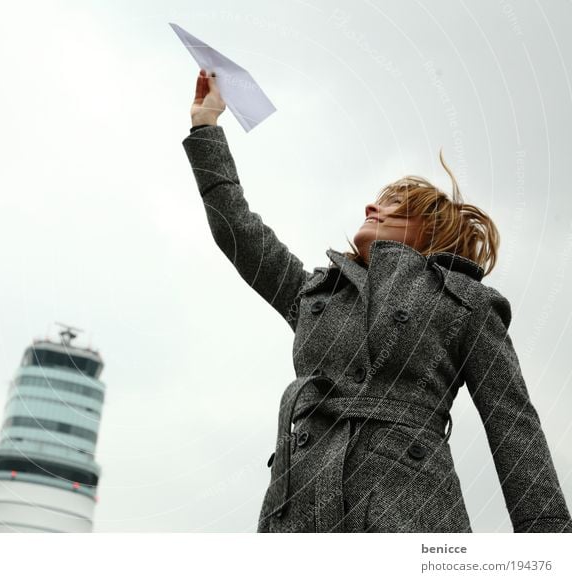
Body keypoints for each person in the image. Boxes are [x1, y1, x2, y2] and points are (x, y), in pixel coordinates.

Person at [183, 68, 572, 533]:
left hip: (409, 515)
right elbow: (239, 232)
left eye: (395, 206)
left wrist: (548, 544)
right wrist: (206, 127)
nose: (372, 207)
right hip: (298, 512)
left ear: (431, 230)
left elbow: (513, 425)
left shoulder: (465, 304)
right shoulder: (314, 294)